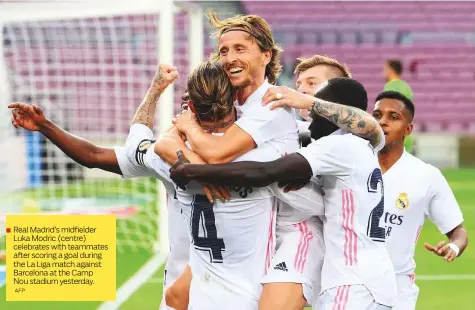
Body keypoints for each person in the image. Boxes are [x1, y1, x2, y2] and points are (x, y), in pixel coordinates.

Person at [169, 77, 396, 310]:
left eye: (315, 107)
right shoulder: (366, 145)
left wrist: (195, 171)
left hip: (351, 282)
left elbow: (265, 172)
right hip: (375, 278)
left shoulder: (338, 147)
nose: (308, 115)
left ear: (332, 111)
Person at [372, 90, 468, 310]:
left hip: (397, 291)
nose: (382, 122)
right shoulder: (351, 164)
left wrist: (453, 247)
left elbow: (458, 231)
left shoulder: (425, 175)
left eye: (393, 117)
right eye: (377, 115)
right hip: (348, 284)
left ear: (408, 129)